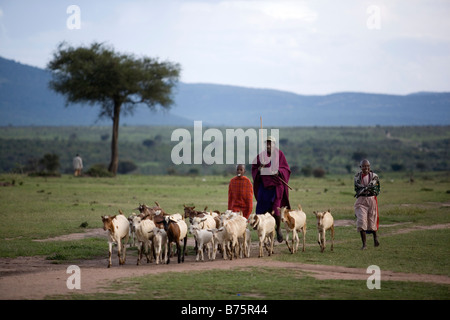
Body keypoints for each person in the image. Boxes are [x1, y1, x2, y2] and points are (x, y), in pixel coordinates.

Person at [252, 136, 291, 242]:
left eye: (271, 143)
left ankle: (278, 228)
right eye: (267, 143)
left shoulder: (280, 155)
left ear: (274, 144)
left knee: (276, 210)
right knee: (261, 210)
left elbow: (286, 169)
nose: (269, 145)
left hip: (276, 188)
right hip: (264, 187)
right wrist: (260, 169)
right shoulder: (261, 156)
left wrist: (278, 172)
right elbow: (255, 169)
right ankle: (262, 229)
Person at [354, 159, 380, 249]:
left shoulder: (375, 176)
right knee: (361, 221)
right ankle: (364, 244)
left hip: (371, 199)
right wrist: (364, 189)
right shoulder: (357, 177)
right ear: (360, 167)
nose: (366, 168)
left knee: (371, 221)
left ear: (370, 167)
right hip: (361, 200)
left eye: (367, 166)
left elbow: (377, 188)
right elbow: (357, 188)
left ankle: (375, 237)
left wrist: (368, 190)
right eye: (364, 166)